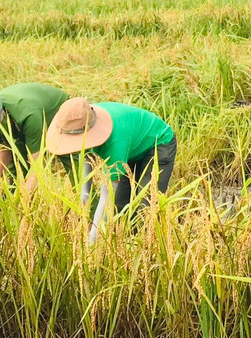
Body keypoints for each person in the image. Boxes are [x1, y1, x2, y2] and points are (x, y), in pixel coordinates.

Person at [44, 97, 175, 241]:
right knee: (120, 208)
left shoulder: (115, 140)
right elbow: (88, 158)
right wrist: (84, 197)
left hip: (158, 144)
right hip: (131, 149)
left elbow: (107, 194)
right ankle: (125, 247)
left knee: (145, 208)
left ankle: (147, 250)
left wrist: (91, 243)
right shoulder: (80, 120)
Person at [0, 82, 69, 189]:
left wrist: (24, 199)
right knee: (15, 171)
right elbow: (1, 147)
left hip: (59, 114)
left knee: (68, 156)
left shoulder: (28, 115)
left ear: (0, 116)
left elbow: (37, 168)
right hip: (19, 123)